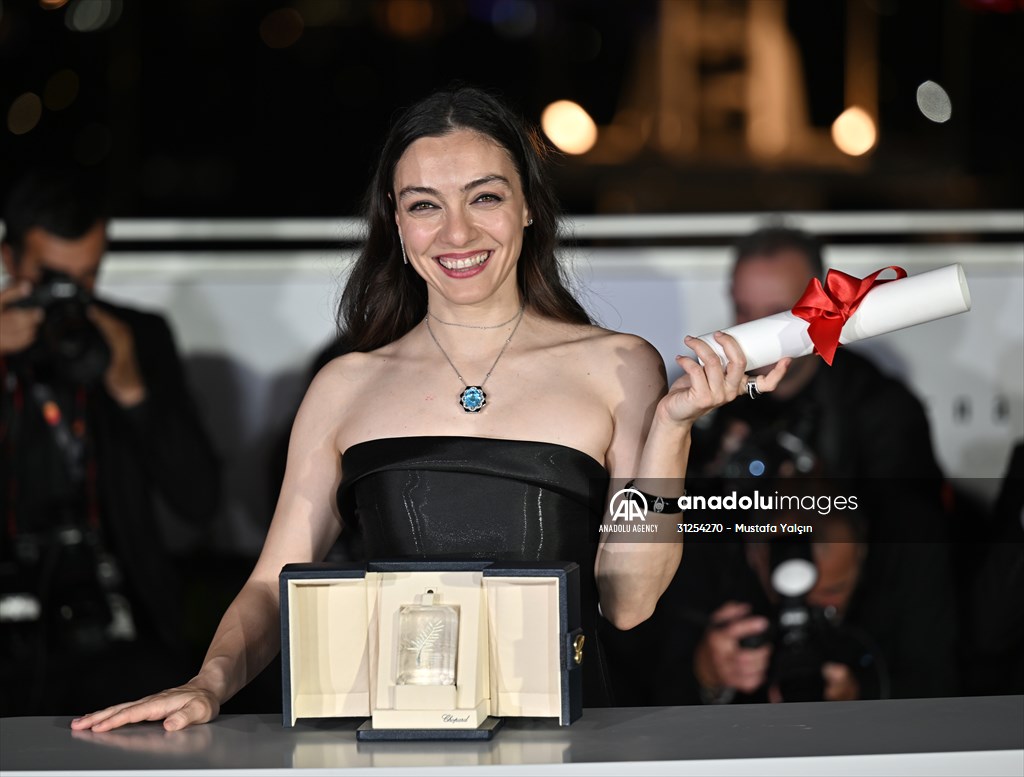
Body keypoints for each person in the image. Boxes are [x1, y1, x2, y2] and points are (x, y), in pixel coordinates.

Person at [71, 86, 788, 732]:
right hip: (393, 741)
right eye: (424, 205)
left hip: (566, 739)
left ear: (528, 205)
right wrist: (210, 682)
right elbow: (272, 582)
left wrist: (670, 427)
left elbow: (628, 601)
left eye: (484, 197)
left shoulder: (618, 364)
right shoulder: (345, 383)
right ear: (396, 222)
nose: (456, 234)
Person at [0, 170, 221, 714]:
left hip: (117, 621)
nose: (70, 297)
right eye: (53, 278)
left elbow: (199, 501)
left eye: (87, 278)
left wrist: (131, 388)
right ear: (10, 259)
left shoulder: (132, 337)